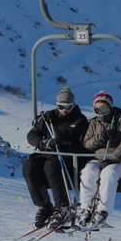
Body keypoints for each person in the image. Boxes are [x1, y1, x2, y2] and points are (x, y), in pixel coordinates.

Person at [23, 87, 89, 228]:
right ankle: (44, 204)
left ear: (74, 105)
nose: (64, 110)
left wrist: (65, 146)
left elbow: (84, 145)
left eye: (68, 106)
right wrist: (44, 143)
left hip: (68, 159)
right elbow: (32, 135)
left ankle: (63, 206)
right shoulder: (48, 118)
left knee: (51, 166)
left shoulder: (80, 120)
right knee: (29, 166)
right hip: (48, 153)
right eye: (60, 106)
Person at [76, 91, 121, 229]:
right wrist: (101, 138)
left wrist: (113, 157)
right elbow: (87, 144)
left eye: (104, 108)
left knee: (109, 173)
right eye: (97, 109)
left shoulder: (120, 119)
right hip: (99, 159)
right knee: (88, 171)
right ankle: (85, 209)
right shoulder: (94, 123)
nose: (101, 112)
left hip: (120, 162)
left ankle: (102, 211)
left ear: (110, 107)